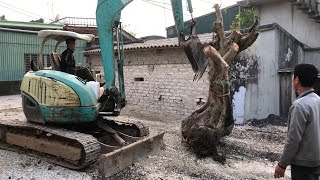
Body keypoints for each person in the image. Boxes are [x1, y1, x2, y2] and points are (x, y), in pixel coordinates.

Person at [274, 64, 320, 180]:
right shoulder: (317, 100)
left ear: (297, 79)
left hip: (303, 164)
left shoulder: (299, 106)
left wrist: (282, 164)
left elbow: (293, 139)